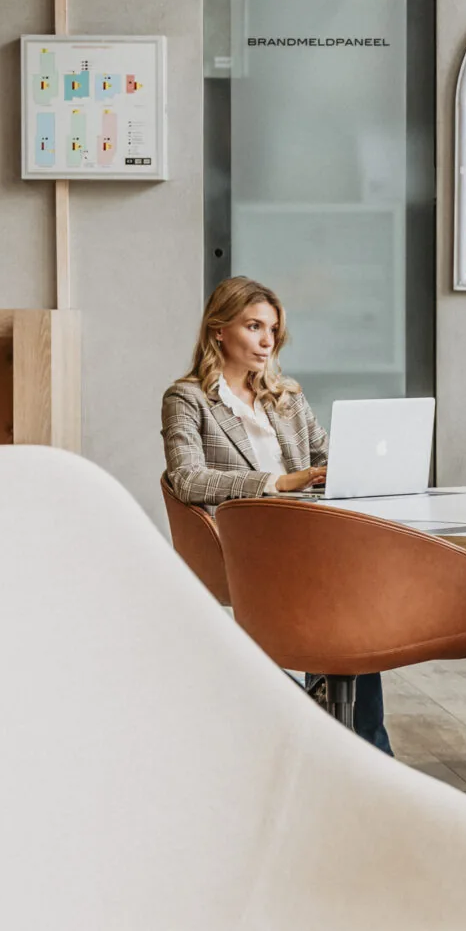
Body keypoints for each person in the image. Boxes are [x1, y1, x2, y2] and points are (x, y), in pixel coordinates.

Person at [161, 277, 391, 755]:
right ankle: (352, 742)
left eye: (273, 329)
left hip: (310, 537)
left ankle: (358, 746)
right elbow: (187, 478)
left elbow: (326, 458)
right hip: (248, 546)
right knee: (349, 597)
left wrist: (353, 471)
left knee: (360, 594)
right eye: (254, 326)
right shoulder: (188, 399)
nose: (268, 340)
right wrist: (277, 482)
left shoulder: (286, 398)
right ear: (219, 331)